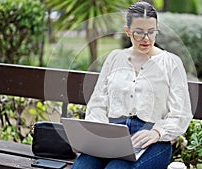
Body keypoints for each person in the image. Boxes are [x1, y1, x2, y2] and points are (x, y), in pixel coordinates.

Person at [71, 1, 193, 169]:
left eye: (151, 32)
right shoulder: (114, 58)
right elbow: (98, 103)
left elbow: (181, 113)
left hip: (152, 140)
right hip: (112, 136)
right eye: (139, 33)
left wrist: (157, 132)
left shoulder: (171, 63)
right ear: (127, 31)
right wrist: (100, 133)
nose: (146, 38)